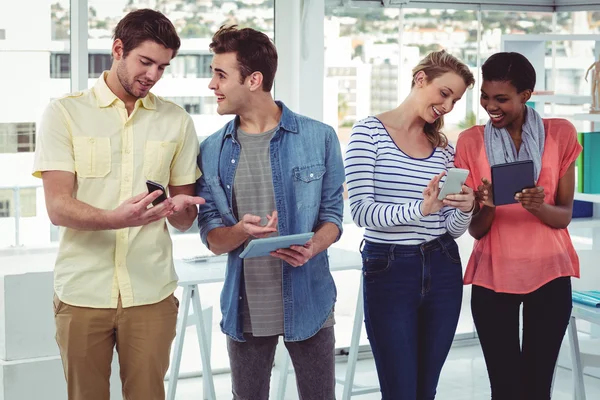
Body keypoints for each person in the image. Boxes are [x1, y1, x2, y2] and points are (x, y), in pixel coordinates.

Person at [32, 9, 204, 400]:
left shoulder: (176, 121)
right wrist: (115, 218)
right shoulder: (64, 114)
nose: (154, 75)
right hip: (82, 293)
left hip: (151, 292)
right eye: (146, 62)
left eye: (163, 67)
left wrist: (182, 210)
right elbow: (58, 206)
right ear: (117, 49)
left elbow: (184, 214)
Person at [196, 26, 345, 400]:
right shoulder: (212, 150)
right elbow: (213, 238)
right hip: (245, 308)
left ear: (254, 79)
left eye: (220, 74)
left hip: (310, 300)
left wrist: (313, 246)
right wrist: (242, 231)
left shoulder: (320, 137)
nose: (212, 84)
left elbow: (333, 216)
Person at [344, 50, 476, 400]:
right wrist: (420, 207)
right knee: (400, 390)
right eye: (444, 93)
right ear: (421, 79)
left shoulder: (445, 150)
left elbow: (451, 225)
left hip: (443, 264)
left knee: (425, 390)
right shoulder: (368, 133)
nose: (448, 106)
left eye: (456, 100)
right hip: (389, 269)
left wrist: (467, 207)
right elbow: (362, 212)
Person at [454, 52, 581, 400]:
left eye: (501, 99)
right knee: (505, 388)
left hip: (549, 275)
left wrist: (539, 207)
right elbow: (476, 230)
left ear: (526, 96)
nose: (490, 106)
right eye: (485, 96)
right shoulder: (469, 141)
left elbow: (565, 215)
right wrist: (490, 207)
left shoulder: (561, 134)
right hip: (493, 276)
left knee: (538, 388)